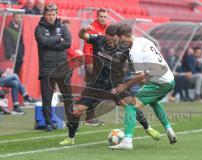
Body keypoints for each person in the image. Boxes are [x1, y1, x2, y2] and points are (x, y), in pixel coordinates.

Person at [59, 24, 160, 147]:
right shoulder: (99, 40)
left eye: (115, 40)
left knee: (131, 106)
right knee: (77, 111)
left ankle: (148, 128)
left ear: (118, 38)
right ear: (105, 36)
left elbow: (138, 60)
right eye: (109, 39)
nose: (112, 42)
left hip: (115, 85)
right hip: (97, 85)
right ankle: (71, 138)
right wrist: (83, 30)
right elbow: (82, 36)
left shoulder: (125, 48)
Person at [109, 24, 177, 150]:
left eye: (119, 38)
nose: (119, 41)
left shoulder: (135, 52)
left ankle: (127, 141)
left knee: (130, 107)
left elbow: (139, 76)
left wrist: (124, 85)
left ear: (123, 36)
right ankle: (169, 130)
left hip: (160, 82)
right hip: (168, 79)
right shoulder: (144, 40)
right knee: (154, 102)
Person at [35, 3, 74, 132]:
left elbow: (68, 43)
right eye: (49, 14)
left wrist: (52, 42)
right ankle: (48, 124)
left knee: (68, 96)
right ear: (44, 15)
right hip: (47, 68)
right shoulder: (39, 28)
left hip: (63, 67)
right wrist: (58, 39)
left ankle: (72, 122)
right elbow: (43, 42)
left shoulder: (62, 27)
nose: (51, 17)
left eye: (53, 14)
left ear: (56, 14)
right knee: (47, 97)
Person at [83, 8, 109, 126]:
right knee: (93, 90)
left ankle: (86, 114)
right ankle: (88, 117)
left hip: (104, 65)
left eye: (105, 17)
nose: (103, 19)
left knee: (100, 90)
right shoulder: (92, 28)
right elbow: (87, 46)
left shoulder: (108, 29)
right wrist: (89, 63)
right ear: (97, 17)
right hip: (93, 64)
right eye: (101, 16)